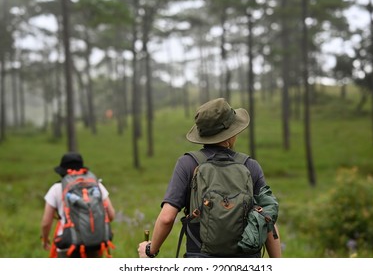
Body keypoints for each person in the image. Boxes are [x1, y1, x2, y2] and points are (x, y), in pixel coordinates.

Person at [138, 98, 281, 258]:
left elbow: (167, 218)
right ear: (230, 135)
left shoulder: (187, 164)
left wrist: (150, 250)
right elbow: (267, 218)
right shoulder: (250, 166)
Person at [40, 152, 115, 258]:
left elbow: (46, 222)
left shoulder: (56, 188)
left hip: (67, 243)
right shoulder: (96, 186)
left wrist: (45, 239)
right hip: (93, 242)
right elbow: (111, 215)